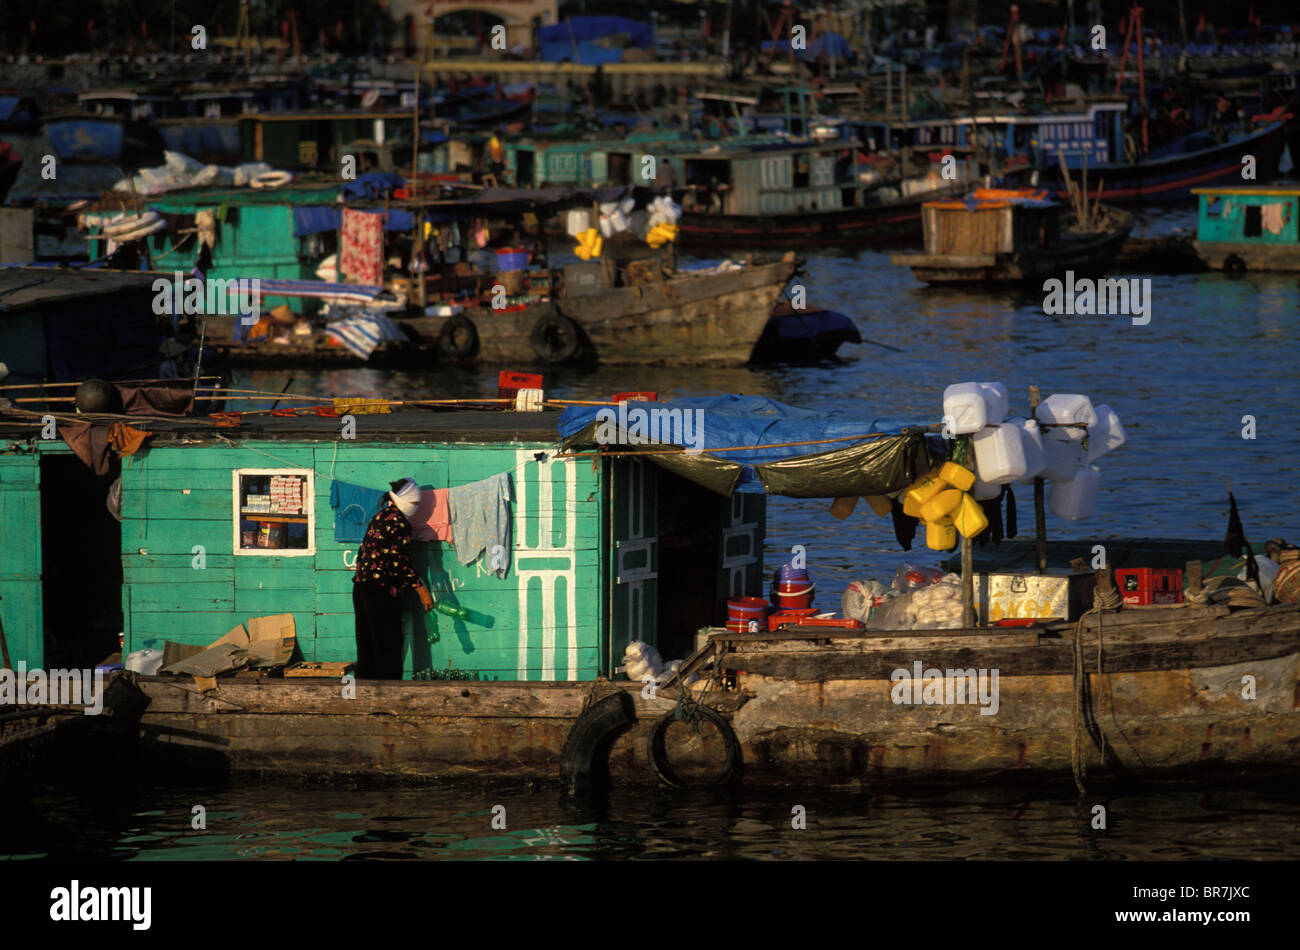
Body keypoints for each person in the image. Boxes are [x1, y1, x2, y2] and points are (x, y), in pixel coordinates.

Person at [353, 477, 434, 679]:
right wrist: (421, 589)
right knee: (388, 645)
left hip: (362, 587)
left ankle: (364, 695)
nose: (415, 508)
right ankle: (389, 696)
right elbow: (400, 562)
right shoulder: (398, 522)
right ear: (402, 499)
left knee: (367, 645)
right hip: (381, 590)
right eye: (414, 503)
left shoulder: (380, 517)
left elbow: (364, 552)